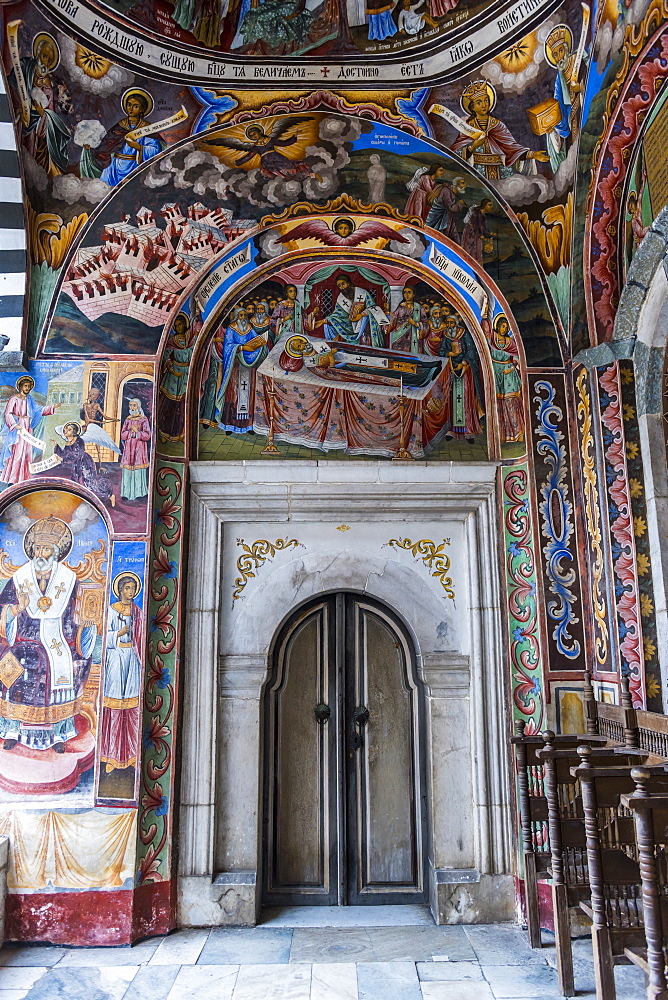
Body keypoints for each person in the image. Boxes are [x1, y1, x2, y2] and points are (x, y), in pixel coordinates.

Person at [0, 517, 96, 752]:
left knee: (65, 662)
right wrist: (15, 609)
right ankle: (12, 730)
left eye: (47, 549)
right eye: (38, 548)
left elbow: (76, 615)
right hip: (23, 639)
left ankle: (59, 734)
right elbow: (3, 609)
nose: (41, 553)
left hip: (58, 639)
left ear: (56, 552)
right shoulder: (19, 578)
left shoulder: (69, 580)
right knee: (13, 664)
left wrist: (85, 626)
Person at [451, 80, 549, 181]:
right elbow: (455, 155)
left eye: (486, 100)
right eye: (479, 102)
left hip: (502, 172)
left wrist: (533, 155)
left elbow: (512, 149)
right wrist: (473, 146)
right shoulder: (468, 128)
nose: (484, 105)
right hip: (479, 173)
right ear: (472, 107)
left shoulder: (497, 125)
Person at [99, 574, 143, 773]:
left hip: (132, 659)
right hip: (116, 659)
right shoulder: (111, 610)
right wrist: (118, 633)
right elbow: (104, 638)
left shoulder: (138, 612)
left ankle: (132, 754)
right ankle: (111, 756)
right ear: (120, 590)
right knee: (115, 707)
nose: (131, 591)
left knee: (132, 707)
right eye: (127, 588)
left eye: (133, 588)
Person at [12, 32, 70, 177]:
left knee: (44, 152)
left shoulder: (50, 83)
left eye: (50, 60)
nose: (46, 62)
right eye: (44, 56)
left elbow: (50, 110)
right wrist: (22, 107)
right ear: (38, 54)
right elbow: (13, 84)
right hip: (25, 121)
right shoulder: (26, 68)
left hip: (40, 126)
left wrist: (42, 114)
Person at [80, 89, 164, 187]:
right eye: (129, 105)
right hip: (114, 168)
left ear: (142, 109)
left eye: (135, 106)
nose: (131, 109)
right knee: (105, 189)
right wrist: (91, 148)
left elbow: (156, 150)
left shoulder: (147, 129)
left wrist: (138, 147)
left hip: (135, 167)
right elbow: (105, 145)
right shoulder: (120, 126)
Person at [216, 307, 272, 432]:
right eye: (240, 316)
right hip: (235, 366)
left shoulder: (249, 328)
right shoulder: (231, 329)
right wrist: (241, 348)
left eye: (245, 316)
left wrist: (260, 345)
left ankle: (248, 425)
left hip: (248, 365)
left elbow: (255, 340)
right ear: (236, 317)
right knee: (233, 394)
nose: (243, 318)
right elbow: (228, 347)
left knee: (249, 394)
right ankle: (230, 424)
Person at [0, 376, 59, 486]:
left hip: (27, 429)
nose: (27, 388)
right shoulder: (14, 398)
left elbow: (38, 410)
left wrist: (52, 407)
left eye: (29, 386)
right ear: (21, 387)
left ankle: (22, 478)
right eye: (25, 386)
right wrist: (15, 425)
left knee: (26, 454)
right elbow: (8, 413)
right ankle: (12, 479)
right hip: (18, 429)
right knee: (17, 454)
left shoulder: (29, 399)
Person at [544, 24, 585, 171]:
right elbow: (558, 102)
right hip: (571, 118)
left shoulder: (579, 60)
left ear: (567, 48)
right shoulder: (558, 78)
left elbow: (592, 74)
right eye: (555, 55)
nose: (559, 56)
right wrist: (551, 120)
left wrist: (581, 88)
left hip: (584, 108)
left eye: (561, 50)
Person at [49, 422, 116, 506]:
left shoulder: (79, 441)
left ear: (74, 432)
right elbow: (64, 454)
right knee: (76, 482)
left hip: (85, 463)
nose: (66, 431)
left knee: (89, 483)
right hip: (76, 465)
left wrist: (63, 459)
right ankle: (80, 500)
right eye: (65, 429)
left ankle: (109, 495)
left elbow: (77, 454)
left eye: (69, 430)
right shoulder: (67, 443)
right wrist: (56, 446)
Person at [158, 311, 198, 443]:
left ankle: (181, 433)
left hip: (186, 375)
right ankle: (164, 433)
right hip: (173, 377)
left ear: (185, 325)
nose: (178, 327)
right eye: (176, 325)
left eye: (180, 324)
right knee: (169, 405)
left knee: (183, 406)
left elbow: (195, 348)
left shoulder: (189, 340)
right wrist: (172, 370)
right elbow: (165, 358)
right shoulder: (171, 341)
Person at [316, 275, 385, 348]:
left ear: (349, 283)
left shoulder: (362, 293)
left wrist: (361, 315)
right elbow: (338, 314)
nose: (342, 287)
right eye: (339, 286)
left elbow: (373, 307)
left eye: (343, 284)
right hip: (349, 325)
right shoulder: (341, 298)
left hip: (365, 326)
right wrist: (326, 320)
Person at [488, 314, 524, 444]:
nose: (505, 328)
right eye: (503, 326)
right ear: (497, 327)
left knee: (512, 403)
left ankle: (518, 433)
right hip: (496, 374)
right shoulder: (492, 340)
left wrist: (512, 366)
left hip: (509, 374)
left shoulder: (511, 343)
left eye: (507, 326)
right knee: (499, 405)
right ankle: (502, 435)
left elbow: (518, 357)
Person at [80, 387, 121, 469]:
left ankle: (100, 466)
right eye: (90, 394)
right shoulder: (85, 405)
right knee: (80, 442)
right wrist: (100, 422)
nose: (91, 396)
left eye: (93, 395)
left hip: (93, 426)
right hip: (87, 426)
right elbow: (88, 419)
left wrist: (115, 419)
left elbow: (105, 417)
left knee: (98, 446)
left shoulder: (96, 405)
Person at [120, 399, 151, 501]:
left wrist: (137, 433)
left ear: (138, 406)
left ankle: (139, 493)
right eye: (130, 405)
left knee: (138, 470)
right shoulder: (128, 420)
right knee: (128, 470)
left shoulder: (143, 419)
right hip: (128, 449)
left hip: (139, 448)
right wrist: (130, 433)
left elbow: (147, 435)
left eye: (134, 405)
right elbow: (122, 434)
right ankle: (126, 493)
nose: (132, 408)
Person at [386, 286, 428, 353]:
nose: (407, 295)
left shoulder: (419, 307)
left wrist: (415, 323)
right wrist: (388, 315)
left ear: (413, 294)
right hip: (400, 337)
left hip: (414, 339)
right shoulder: (401, 307)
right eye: (405, 293)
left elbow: (425, 324)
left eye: (409, 292)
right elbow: (393, 319)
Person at [425, 176, 467, 241]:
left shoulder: (452, 192)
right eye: (462, 183)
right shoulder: (446, 191)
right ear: (456, 184)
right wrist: (459, 203)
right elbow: (451, 208)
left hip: (447, 218)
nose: (465, 185)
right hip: (439, 218)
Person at [461, 198, 495, 263]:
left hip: (476, 233)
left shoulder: (482, 215)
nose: (491, 207)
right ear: (484, 205)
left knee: (477, 249)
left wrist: (489, 233)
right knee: (470, 249)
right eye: (489, 205)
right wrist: (480, 235)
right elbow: (475, 225)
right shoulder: (476, 213)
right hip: (471, 233)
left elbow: (483, 226)